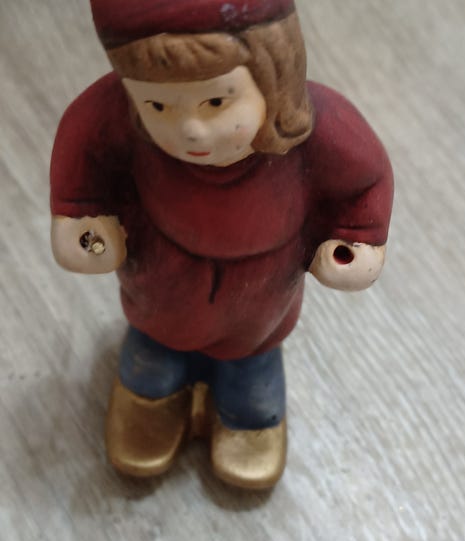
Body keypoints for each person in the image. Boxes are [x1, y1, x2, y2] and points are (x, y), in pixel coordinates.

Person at [50, 0, 394, 489]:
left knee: (251, 384)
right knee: (151, 364)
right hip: (160, 291)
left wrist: (356, 241)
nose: (190, 130)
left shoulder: (320, 130)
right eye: (158, 106)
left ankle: (246, 402)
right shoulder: (115, 116)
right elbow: (81, 147)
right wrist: (80, 219)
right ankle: (154, 390)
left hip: (257, 311)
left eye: (216, 103)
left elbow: (365, 179)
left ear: (273, 77)